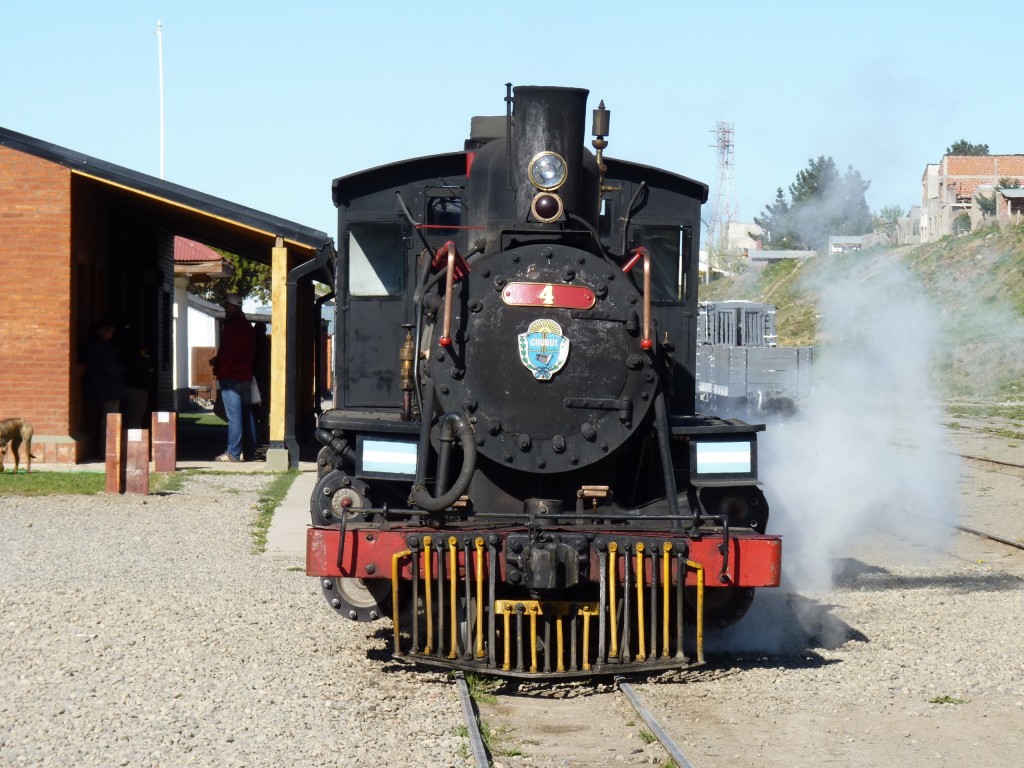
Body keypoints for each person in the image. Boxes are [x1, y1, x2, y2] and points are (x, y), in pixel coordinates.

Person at [210, 293, 258, 462]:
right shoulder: (247, 326)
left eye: (225, 306)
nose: (224, 309)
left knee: (234, 416)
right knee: (247, 414)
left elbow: (228, 353)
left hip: (232, 376)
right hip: (245, 375)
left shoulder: (232, 327)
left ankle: (233, 452)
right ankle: (250, 451)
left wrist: (220, 371)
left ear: (231, 306)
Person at [82, 319, 127, 456]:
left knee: (100, 420)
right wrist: (122, 368)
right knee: (110, 420)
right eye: (110, 333)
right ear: (103, 331)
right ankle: (108, 451)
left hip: (95, 388)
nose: (111, 336)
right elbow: (111, 368)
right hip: (108, 389)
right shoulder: (102, 348)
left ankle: (103, 450)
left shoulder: (89, 345)